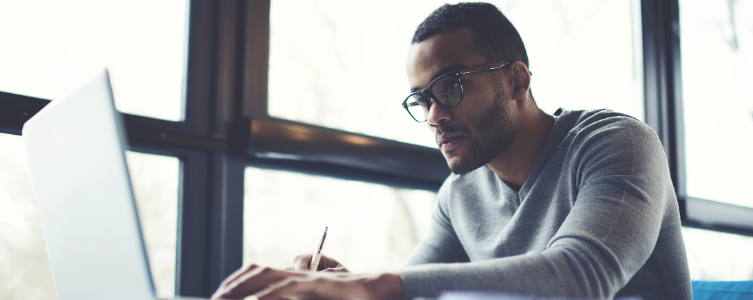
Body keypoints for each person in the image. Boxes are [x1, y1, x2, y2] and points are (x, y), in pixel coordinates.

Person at [211, 3, 692, 300]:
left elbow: (582, 279)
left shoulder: (616, 143)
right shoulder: (459, 195)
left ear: (517, 79)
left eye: (452, 86)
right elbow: (413, 288)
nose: (435, 115)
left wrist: (380, 285)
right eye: (422, 99)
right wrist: (347, 285)